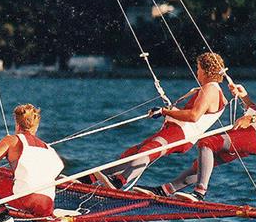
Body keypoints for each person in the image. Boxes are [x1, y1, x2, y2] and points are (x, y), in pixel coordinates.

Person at [151, 43, 256, 201]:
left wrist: (251, 118)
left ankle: (199, 192)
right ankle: (165, 190)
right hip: (252, 133)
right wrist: (244, 96)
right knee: (203, 162)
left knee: (207, 143)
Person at [96, 52, 227, 190]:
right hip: (178, 132)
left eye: (199, 68)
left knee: (147, 152)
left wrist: (165, 112)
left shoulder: (210, 89)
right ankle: (89, 178)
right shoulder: (212, 91)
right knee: (133, 152)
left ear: (206, 71)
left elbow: (193, 116)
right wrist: (167, 111)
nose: (197, 72)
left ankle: (118, 182)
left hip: (180, 134)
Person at [0, 104, 64, 219]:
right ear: (36, 126)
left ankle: (1, 214)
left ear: (17, 124)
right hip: (47, 204)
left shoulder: (11, 140)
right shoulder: (49, 149)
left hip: (26, 200)